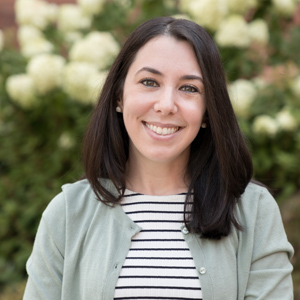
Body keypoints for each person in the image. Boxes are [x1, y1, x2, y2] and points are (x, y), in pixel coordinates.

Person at [23, 17, 294, 300]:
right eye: (149, 82)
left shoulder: (254, 212)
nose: (166, 105)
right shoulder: (68, 213)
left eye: (189, 88)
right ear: (119, 96)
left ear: (207, 110)